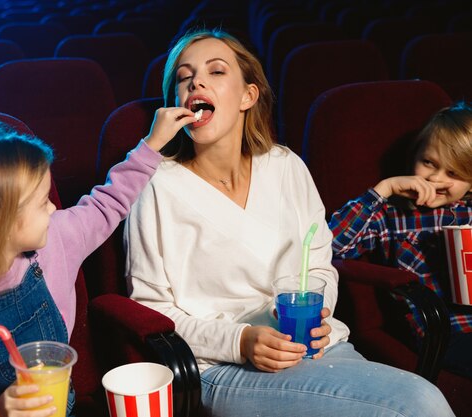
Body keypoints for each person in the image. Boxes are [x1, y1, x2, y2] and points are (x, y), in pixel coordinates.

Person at [123, 28, 455, 416]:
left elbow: (319, 264)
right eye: (184, 76)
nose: (196, 80)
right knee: (418, 402)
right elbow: (151, 309)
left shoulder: (286, 166)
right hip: (223, 367)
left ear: (249, 95)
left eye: (216, 72)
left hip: (317, 349)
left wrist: (319, 314)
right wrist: (241, 341)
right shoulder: (156, 186)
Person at [0, 115, 196, 417]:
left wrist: (152, 144)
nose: (53, 208)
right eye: (42, 203)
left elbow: (107, 204)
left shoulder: (57, 239)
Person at [329, 101, 472, 380]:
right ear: (414, 156)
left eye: (453, 173)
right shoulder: (389, 214)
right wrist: (385, 189)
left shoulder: (467, 210)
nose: (436, 178)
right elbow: (332, 244)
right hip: (444, 331)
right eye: (428, 162)